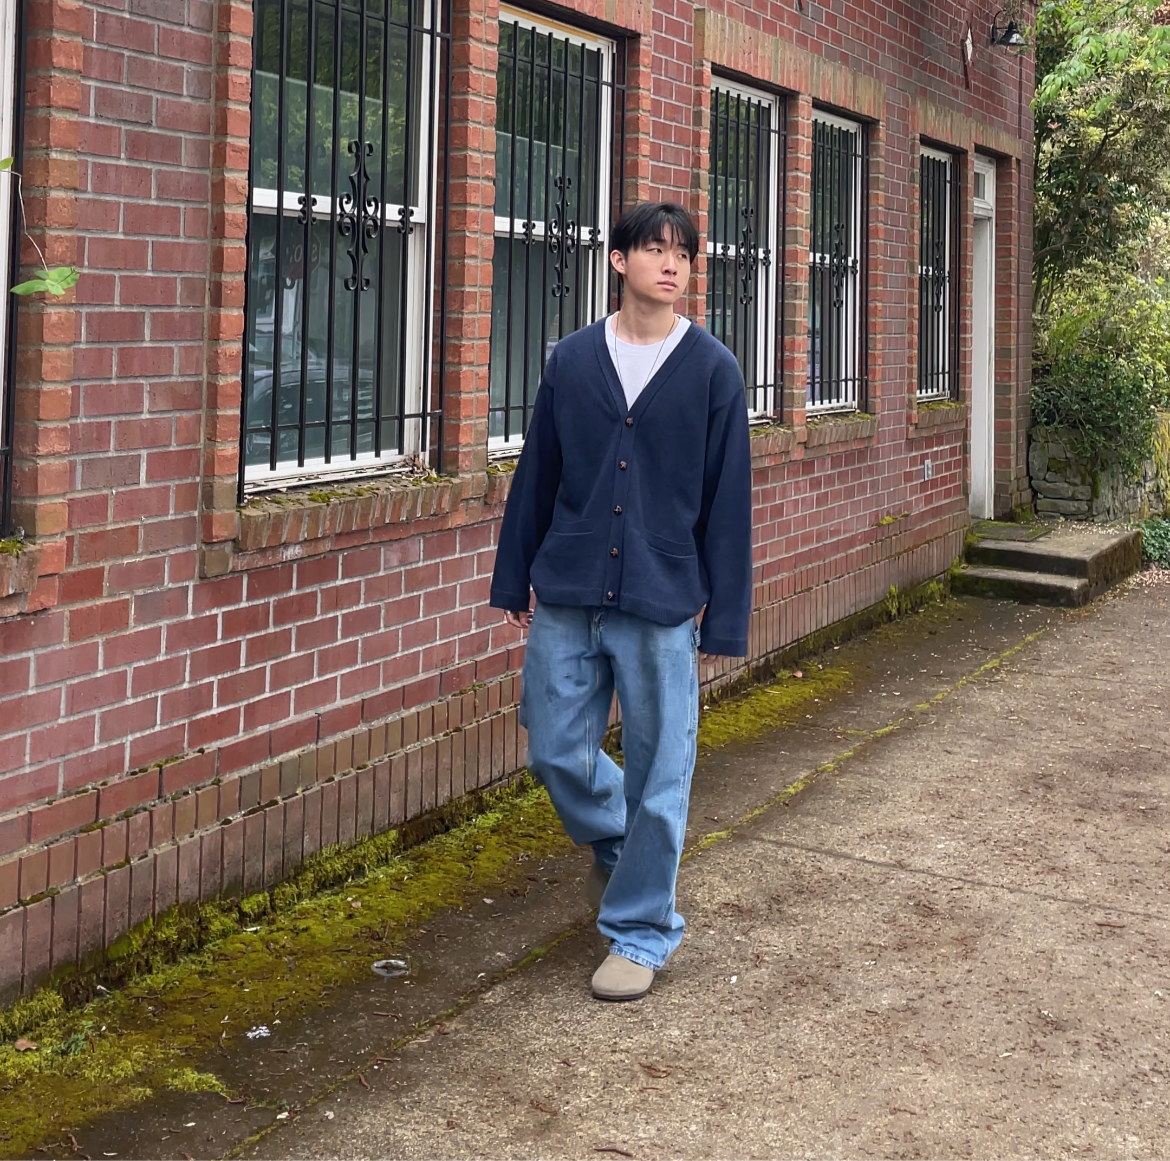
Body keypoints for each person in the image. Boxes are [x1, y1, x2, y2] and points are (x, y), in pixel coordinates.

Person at [490, 202, 752, 1001]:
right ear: (618, 260)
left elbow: (727, 501)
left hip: (661, 598)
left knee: (659, 771)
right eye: (655, 249)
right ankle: (619, 847)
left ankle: (640, 929)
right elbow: (538, 472)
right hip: (570, 588)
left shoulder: (712, 369)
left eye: (684, 254)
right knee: (554, 749)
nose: (671, 264)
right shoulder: (572, 360)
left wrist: (725, 616)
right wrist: (513, 576)